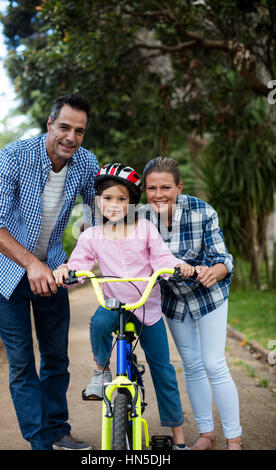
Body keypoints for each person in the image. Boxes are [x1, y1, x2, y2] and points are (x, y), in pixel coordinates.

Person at [0, 93, 99, 450]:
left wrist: (83, 258)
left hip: (53, 270)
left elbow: (100, 215)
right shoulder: (13, 157)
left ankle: (58, 430)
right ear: (50, 124)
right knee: (20, 362)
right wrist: (31, 263)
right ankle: (39, 441)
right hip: (6, 272)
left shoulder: (86, 162)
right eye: (64, 127)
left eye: (79, 131)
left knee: (57, 358)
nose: (71, 137)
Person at [53, 162, 195, 450]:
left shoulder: (144, 228)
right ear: (97, 201)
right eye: (107, 198)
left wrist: (179, 267)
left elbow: (163, 260)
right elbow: (78, 265)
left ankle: (178, 436)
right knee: (99, 323)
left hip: (147, 306)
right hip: (114, 304)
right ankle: (100, 369)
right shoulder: (91, 234)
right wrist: (65, 271)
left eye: (122, 199)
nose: (114, 205)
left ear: (131, 203)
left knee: (163, 369)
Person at [139, 156, 242, 450]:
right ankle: (206, 434)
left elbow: (224, 259)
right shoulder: (141, 219)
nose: (158, 195)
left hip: (208, 295)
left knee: (213, 362)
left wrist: (215, 271)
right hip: (174, 301)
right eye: (151, 188)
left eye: (166, 188)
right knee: (192, 365)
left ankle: (234, 438)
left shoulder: (202, 211)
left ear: (179, 187)